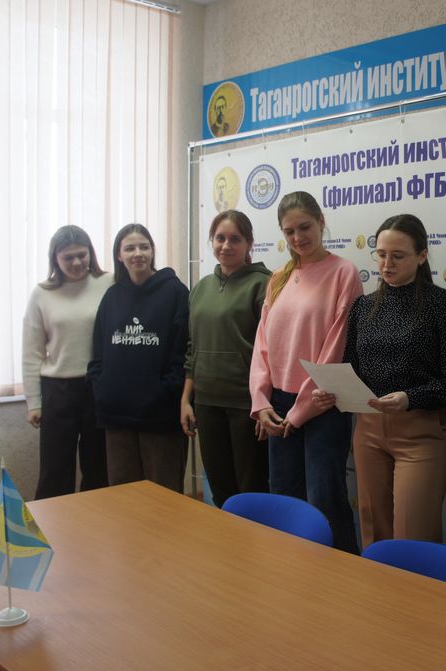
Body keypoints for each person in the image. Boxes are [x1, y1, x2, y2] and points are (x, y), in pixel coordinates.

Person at [312, 214, 446, 550]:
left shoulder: (445, 305)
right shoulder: (364, 307)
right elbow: (353, 369)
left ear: (422, 255)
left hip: (421, 432)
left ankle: (416, 589)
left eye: (398, 256)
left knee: (413, 536)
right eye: (381, 254)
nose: (386, 264)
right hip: (369, 430)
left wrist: (410, 397)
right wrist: (333, 391)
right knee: (374, 528)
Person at [249, 191, 362, 553]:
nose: (298, 237)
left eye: (305, 227)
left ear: (321, 222)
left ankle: (340, 576)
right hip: (279, 405)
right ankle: (290, 576)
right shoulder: (279, 278)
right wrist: (260, 401)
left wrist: (299, 413)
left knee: (325, 500)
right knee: (285, 498)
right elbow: (263, 344)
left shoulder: (343, 272)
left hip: (322, 403)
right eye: (289, 231)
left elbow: (337, 344)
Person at [89, 223, 189, 493]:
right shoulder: (112, 296)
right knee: (123, 496)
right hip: (116, 415)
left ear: (153, 251)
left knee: (163, 496)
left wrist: (164, 391)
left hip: (159, 416)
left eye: (144, 247)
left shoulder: (175, 292)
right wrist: (101, 388)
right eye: (130, 248)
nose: (138, 253)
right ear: (119, 255)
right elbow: (98, 351)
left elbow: (183, 351)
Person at [181, 210, 271, 508]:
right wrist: (186, 400)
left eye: (235, 239)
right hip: (207, 402)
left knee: (251, 488)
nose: (226, 245)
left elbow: (271, 351)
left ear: (249, 244)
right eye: (220, 238)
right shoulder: (201, 287)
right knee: (220, 487)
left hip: (246, 404)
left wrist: (264, 403)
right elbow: (192, 348)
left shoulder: (264, 284)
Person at [22, 225, 113, 499]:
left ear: (91, 253)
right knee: (55, 468)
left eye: (81, 255)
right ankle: (50, 524)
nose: (76, 262)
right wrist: (34, 402)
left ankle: (94, 521)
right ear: (55, 259)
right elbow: (32, 352)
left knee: (98, 465)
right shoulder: (42, 293)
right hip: (58, 389)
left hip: (97, 386)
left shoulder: (108, 283)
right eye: (68, 257)